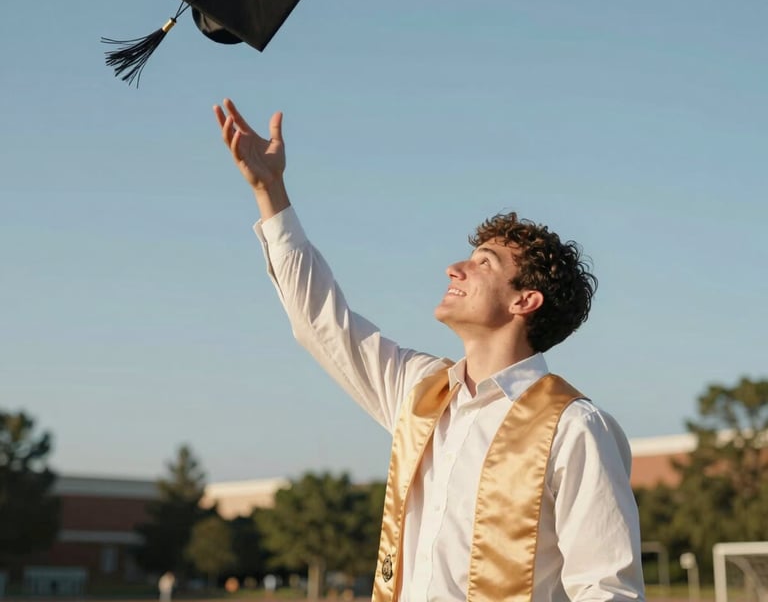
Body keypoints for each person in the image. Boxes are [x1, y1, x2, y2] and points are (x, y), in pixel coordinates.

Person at [213, 99, 645, 602]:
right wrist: (271, 192)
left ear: (524, 300)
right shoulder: (418, 390)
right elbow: (321, 323)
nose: (454, 268)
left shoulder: (572, 426)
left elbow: (607, 588)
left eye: (483, 262)